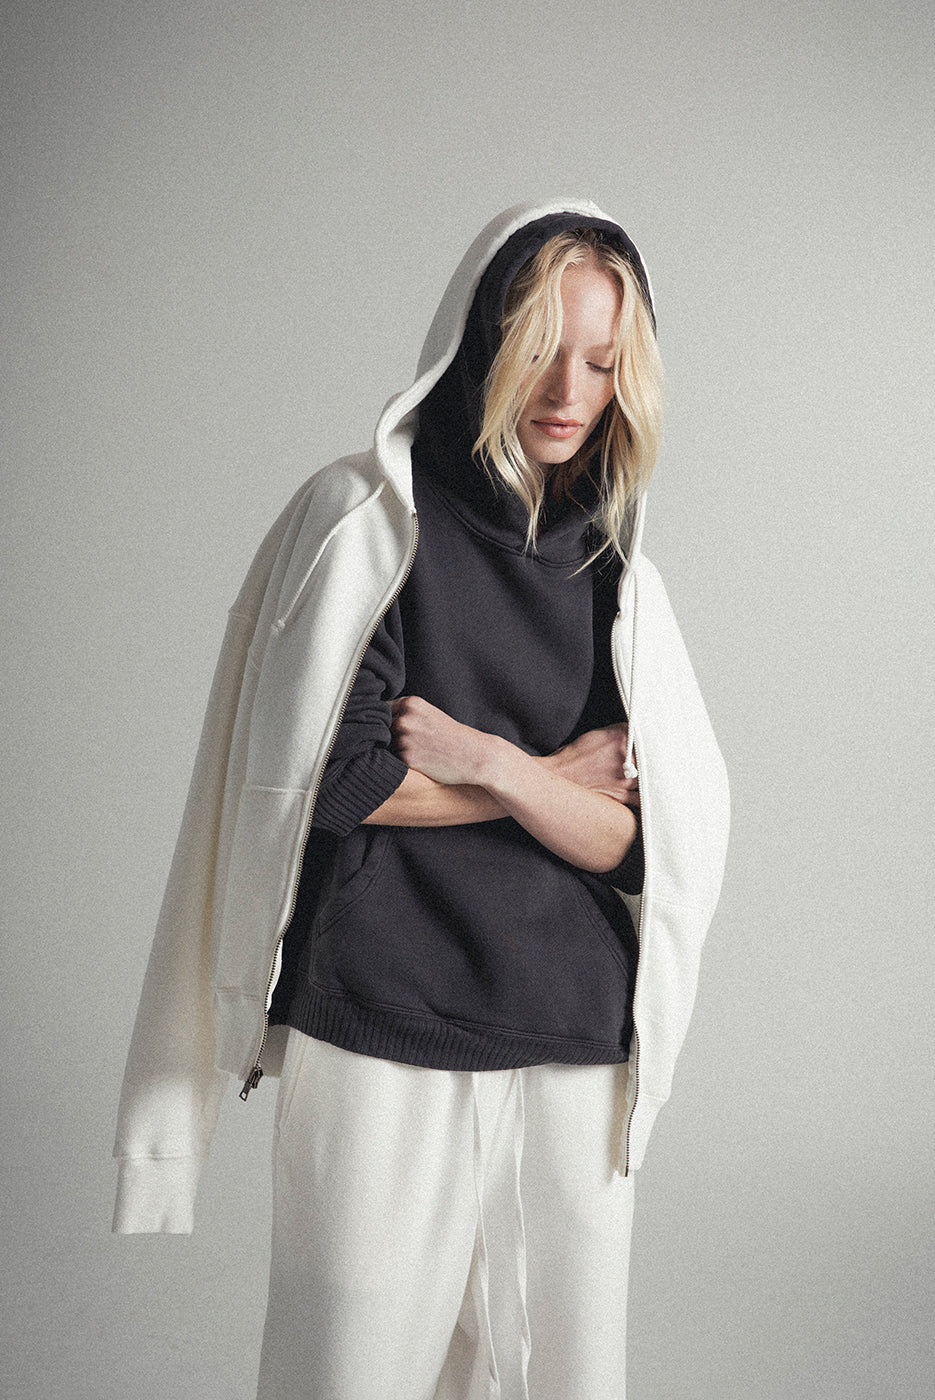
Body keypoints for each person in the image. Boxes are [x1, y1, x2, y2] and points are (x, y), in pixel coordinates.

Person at [113, 199, 730, 1400]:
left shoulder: (617, 577)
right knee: (347, 1368)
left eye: (599, 361)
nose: (566, 390)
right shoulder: (368, 522)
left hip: (569, 1036)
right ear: (482, 338)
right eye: (540, 350)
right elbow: (339, 779)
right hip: (382, 1017)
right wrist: (550, 781)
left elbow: (634, 843)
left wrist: (487, 762)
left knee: (557, 1376)